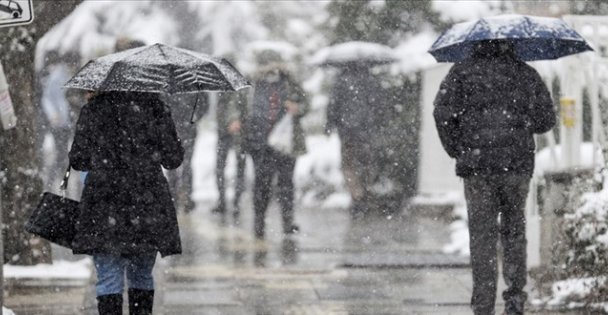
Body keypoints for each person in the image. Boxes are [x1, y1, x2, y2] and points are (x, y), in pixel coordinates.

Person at [433, 41, 556, 315]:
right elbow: (546, 120)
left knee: (482, 237)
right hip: (516, 167)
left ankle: (483, 306)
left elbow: (441, 114)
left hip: (477, 168)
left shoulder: (461, 73)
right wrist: (521, 122)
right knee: (514, 233)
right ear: (512, 43)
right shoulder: (526, 73)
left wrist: (459, 149)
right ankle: (514, 302)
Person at [69, 91, 184, 315]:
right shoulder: (155, 107)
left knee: (108, 279)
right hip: (146, 203)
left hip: (103, 202)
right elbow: (173, 159)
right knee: (141, 275)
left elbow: (78, 159)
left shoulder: (93, 109)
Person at [243, 50, 308, 239]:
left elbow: (305, 102)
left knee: (286, 183)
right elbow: (242, 107)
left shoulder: (290, 82)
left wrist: (298, 108)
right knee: (262, 184)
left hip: (286, 142)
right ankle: (259, 222)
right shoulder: (252, 84)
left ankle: (287, 222)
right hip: (260, 142)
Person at [325, 63, 383, 217]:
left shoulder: (341, 81)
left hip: (347, 130)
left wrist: (330, 124)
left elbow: (333, 104)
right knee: (365, 163)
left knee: (349, 164)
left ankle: (356, 196)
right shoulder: (371, 80)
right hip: (366, 131)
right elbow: (378, 104)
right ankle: (364, 193)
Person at [211, 88, 248, 218]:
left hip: (237, 132)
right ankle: (224, 201)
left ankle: (235, 202)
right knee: (221, 167)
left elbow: (237, 105)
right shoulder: (220, 88)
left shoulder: (237, 86)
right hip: (223, 132)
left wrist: (234, 120)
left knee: (238, 167)